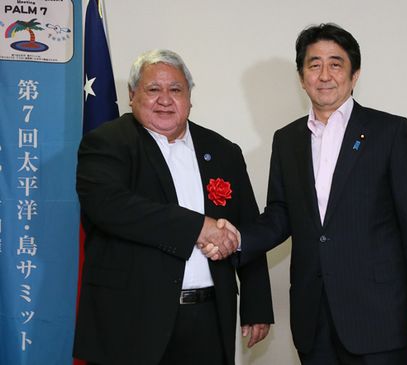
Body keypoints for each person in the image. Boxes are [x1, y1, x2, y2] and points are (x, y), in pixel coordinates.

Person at [209, 23, 407, 365]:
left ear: (354, 74)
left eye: (336, 63)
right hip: (313, 316)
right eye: (314, 65)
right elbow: (281, 213)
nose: (325, 74)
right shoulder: (287, 140)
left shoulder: (389, 132)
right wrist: (238, 237)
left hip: (380, 317)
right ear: (302, 77)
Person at [73, 49, 273, 365]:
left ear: (189, 97)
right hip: (130, 319)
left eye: (176, 90)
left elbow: (247, 227)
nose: (165, 99)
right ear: (132, 95)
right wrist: (198, 227)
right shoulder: (106, 143)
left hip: (207, 318)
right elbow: (110, 207)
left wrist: (256, 303)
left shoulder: (222, 151)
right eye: (154, 90)